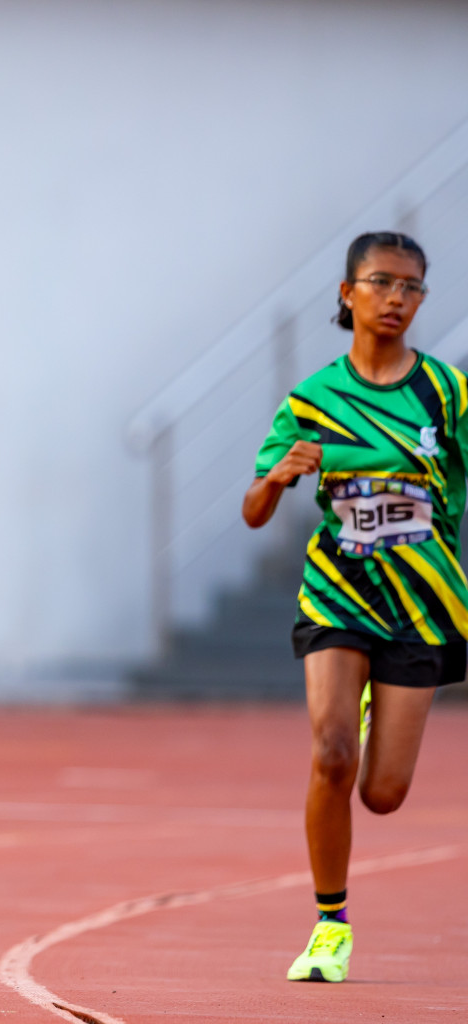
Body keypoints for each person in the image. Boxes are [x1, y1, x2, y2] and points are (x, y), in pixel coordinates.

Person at [243, 231, 464, 984]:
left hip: (422, 606)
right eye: (380, 283)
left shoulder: (447, 394)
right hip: (338, 594)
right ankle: (330, 927)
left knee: (383, 794)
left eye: (412, 287)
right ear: (347, 293)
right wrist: (279, 478)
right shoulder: (314, 400)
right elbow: (253, 510)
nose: (396, 298)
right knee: (332, 754)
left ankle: (375, 709)